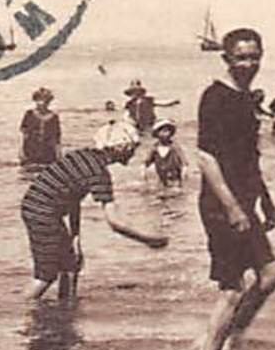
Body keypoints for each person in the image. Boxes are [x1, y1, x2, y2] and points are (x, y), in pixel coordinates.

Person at [197, 27, 275, 350]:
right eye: (241, 58)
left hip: (247, 203)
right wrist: (232, 208)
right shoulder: (215, 97)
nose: (248, 64)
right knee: (232, 290)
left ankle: (231, 338)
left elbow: (249, 157)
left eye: (254, 57)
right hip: (221, 206)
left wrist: (265, 198)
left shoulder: (247, 99)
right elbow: (206, 157)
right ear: (226, 59)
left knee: (271, 276)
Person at [20, 121, 167, 301]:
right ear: (121, 147)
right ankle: (20, 312)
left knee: (70, 264)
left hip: (35, 206)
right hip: (43, 213)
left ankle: (64, 306)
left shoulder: (83, 156)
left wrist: (75, 237)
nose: (134, 152)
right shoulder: (99, 173)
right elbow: (115, 222)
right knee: (46, 275)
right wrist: (149, 240)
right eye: (133, 147)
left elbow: (73, 198)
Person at [19, 87, 61, 165]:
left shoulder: (54, 117)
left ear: (48, 102)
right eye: (39, 100)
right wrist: (21, 152)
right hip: (31, 150)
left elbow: (57, 138)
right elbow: (25, 134)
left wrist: (58, 155)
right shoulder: (29, 114)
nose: (41, 103)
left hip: (48, 152)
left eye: (44, 100)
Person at [144, 119, 186, 185]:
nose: (166, 133)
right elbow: (146, 162)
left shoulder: (175, 147)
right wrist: (144, 171)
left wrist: (184, 173)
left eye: (168, 131)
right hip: (161, 179)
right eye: (162, 131)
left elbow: (184, 162)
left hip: (174, 178)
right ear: (157, 133)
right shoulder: (155, 148)